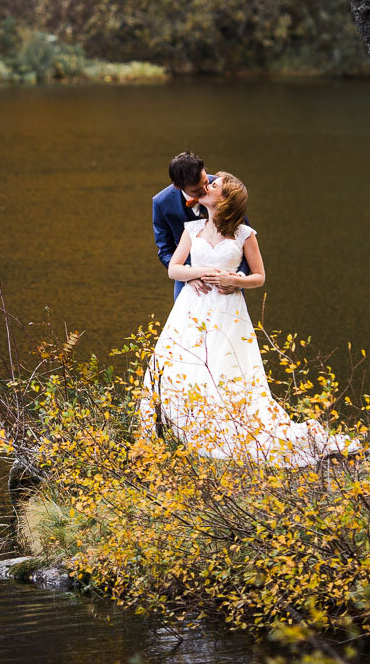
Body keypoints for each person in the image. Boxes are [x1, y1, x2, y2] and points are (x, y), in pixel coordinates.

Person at [140, 172, 358, 465]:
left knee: (228, 366)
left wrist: (236, 279)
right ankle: (189, 426)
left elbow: (259, 277)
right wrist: (198, 274)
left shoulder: (245, 234)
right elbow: (174, 268)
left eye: (213, 185)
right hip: (192, 308)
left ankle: (235, 425)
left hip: (229, 309)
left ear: (225, 200)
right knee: (186, 364)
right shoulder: (192, 229)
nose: (207, 186)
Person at [152, 151, 250, 300]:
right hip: (188, 279)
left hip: (226, 278)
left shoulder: (222, 188)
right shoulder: (162, 203)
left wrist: (238, 278)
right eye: (197, 190)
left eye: (205, 182)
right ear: (177, 186)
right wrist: (189, 275)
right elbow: (165, 250)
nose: (205, 190)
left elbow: (244, 237)